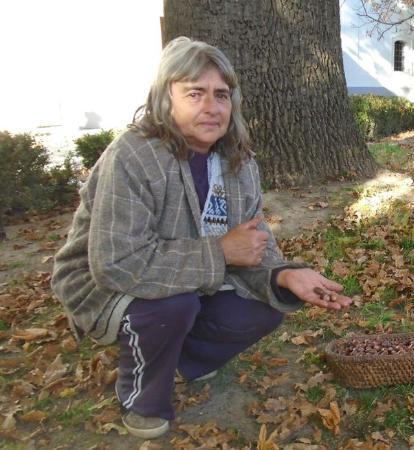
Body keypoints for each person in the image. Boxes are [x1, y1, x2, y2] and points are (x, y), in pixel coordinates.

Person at [51, 37, 352, 439]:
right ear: (165, 99)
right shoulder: (134, 155)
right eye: (195, 93)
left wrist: (284, 276)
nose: (211, 107)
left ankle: (184, 357)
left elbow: (253, 245)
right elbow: (115, 263)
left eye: (221, 95)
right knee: (173, 305)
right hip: (102, 281)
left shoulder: (238, 163)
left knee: (268, 307)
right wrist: (220, 252)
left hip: (191, 278)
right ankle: (140, 391)